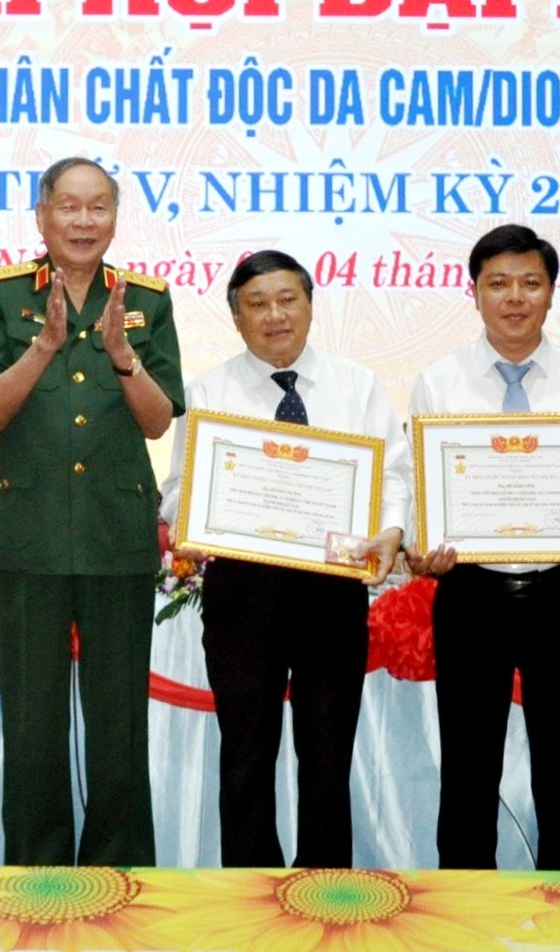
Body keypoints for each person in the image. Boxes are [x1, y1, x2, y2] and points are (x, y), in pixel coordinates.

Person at [0, 157, 184, 866]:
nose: (83, 221)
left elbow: (156, 421)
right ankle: (37, 871)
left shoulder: (147, 298)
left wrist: (122, 355)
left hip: (118, 536)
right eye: (68, 206)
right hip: (29, 536)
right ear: (42, 215)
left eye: (98, 208)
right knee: (34, 721)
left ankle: (119, 871)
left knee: (118, 721)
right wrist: (45, 345)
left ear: (115, 216)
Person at [159, 250, 408, 867]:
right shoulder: (209, 392)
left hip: (331, 589)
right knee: (245, 746)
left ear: (310, 306)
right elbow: (178, 488)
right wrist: (187, 521)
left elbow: (394, 475)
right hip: (242, 589)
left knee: (327, 748)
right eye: (257, 304)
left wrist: (391, 530)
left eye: (287, 299)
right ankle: (248, 884)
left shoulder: (358, 386)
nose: (275, 315)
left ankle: (326, 883)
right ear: (237, 319)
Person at [409, 224, 560, 870]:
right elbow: (422, 489)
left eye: (530, 282)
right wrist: (424, 543)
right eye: (499, 283)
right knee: (467, 774)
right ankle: (467, 912)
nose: (515, 297)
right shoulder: (439, 381)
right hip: (472, 591)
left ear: (552, 291)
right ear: (474, 291)